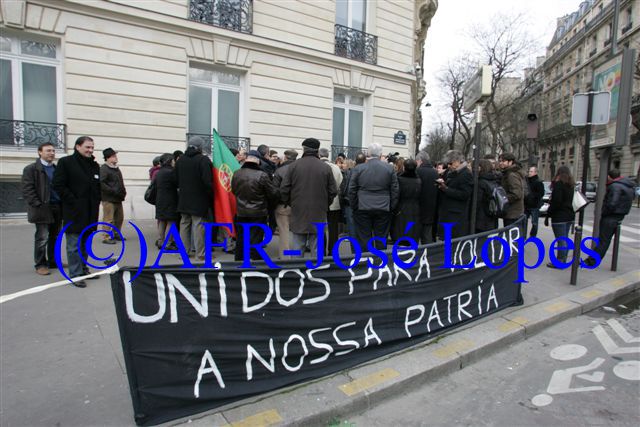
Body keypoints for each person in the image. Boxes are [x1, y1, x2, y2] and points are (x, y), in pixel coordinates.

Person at [52, 136, 101, 287]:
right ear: (77, 147)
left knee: (86, 243)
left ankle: (84, 268)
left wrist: (97, 200)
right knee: (74, 244)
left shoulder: (94, 165)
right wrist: (73, 200)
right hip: (74, 211)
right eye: (87, 147)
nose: (90, 150)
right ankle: (75, 274)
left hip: (91, 211)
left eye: (92, 147)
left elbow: (97, 186)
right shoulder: (66, 163)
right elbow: (58, 185)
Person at [280, 138, 338, 257]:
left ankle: (297, 273)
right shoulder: (325, 167)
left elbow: (284, 189)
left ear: (304, 149)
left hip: (298, 211)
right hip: (319, 211)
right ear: (317, 150)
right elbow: (333, 191)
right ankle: (315, 273)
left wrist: (292, 203)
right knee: (317, 249)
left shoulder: (293, 166)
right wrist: (325, 204)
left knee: (297, 246)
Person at [21, 142, 63, 275]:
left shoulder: (56, 169)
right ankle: (40, 264)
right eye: (48, 151)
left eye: (53, 151)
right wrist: (38, 204)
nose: (51, 153)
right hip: (42, 208)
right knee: (42, 237)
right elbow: (27, 190)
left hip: (57, 207)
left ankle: (53, 261)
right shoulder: (31, 169)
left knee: (55, 237)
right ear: (40, 152)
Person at [348, 143, 399, 250]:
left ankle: (365, 262)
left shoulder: (359, 168)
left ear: (368, 154)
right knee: (381, 238)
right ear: (380, 154)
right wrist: (391, 207)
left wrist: (354, 206)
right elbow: (395, 190)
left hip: (362, 207)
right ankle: (380, 262)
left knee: (363, 238)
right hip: (383, 207)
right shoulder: (389, 169)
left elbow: (352, 190)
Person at [231, 150, 279, 261]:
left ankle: (239, 260)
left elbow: (234, 190)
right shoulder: (262, 175)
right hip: (258, 212)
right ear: (258, 161)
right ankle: (256, 260)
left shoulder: (237, 173)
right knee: (256, 237)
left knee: (241, 237)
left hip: (241, 211)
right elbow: (272, 193)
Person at [584, 169, 635, 267]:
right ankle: (593, 259)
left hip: (610, 216)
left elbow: (612, 203)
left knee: (603, 240)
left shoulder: (615, 186)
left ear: (609, 176)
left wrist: (604, 212)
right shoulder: (627, 185)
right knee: (605, 240)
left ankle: (592, 261)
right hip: (620, 215)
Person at [175, 136, 213, 261]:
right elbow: (208, 182)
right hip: (199, 199)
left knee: (184, 225)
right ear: (200, 147)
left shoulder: (180, 160)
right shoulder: (203, 160)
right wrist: (210, 195)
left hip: (184, 199)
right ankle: (200, 254)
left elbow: (175, 180)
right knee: (199, 226)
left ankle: (183, 252)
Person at [436, 150, 473, 239]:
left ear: (457, 161)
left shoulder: (465, 174)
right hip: (450, 213)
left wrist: (446, 189)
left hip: (456, 215)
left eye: (450, 163)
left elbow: (465, 194)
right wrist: (442, 185)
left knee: (452, 242)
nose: (448, 166)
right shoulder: (454, 172)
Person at [545, 166, 575, 268]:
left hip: (559, 216)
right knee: (564, 239)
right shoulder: (570, 185)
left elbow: (557, 201)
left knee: (561, 240)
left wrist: (549, 212)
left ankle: (560, 261)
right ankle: (563, 259)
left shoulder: (558, 184)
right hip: (569, 215)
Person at [273, 149, 298, 257]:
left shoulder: (280, 170)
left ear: (286, 157)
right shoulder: (301, 170)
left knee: (284, 231)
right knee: (299, 232)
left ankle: (285, 256)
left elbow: (275, 189)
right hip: (299, 204)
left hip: (283, 205)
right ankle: (298, 255)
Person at [391, 159, 421, 243]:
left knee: (400, 234)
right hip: (415, 209)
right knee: (412, 235)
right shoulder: (418, 181)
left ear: (404, 167)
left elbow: (396, 195)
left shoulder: (399, 179)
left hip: (401, 209)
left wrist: (393, 209)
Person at [100, 148, 126, 245]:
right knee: (108, 219)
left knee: (119, 218)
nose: (116, 158)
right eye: (114, 156)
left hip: (118, 197)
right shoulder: (104, 168)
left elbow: (120, 181)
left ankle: (116, 233)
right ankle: (106, 236)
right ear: (108, 158)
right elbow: (102, 183)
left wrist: (123, 191)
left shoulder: (116, 168)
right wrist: (113, 191)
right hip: (109, 198)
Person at [320, 147, 343, 254]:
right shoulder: (335, 167)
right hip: (334, 201)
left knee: (320, 228)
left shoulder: (317, 166)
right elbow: (339, 182)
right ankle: (333, 251)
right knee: (333, 229)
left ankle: (322, 250)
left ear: (319, 155)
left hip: (320, 202)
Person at [154, 153, 179, 250]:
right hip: (170, 199)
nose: (174, 162)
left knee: (162, 221)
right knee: (171, 221)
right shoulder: (171, 172)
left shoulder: (159, 172)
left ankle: (161, 241)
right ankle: (168, 243)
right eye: (173, 160)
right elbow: (177, 183)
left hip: (160, 199)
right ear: (169, 161)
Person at [415, 151, 438, 244]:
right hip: (431, 206)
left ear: (420, 160)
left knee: (415, 233)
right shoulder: (435, 172)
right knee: (427, 233)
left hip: (418, 206)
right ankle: (427, 254)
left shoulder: (417, 171)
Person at [498, 153, 525, 227]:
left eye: (503, 161)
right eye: (500, 161)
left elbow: (516, 194)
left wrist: (502, 199)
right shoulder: (510, 173)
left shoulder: (511, 175)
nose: (501, 163)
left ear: (510, 162)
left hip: (513, 213)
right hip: (513, 212)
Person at [474, 159, 499, 233]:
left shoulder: (481, 182)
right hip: (491, 217)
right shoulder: (493, 180)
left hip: (481, 219)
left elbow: (477, 201)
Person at [525, 166, 545, 237]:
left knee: (534, 222)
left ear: (535, 172)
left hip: (534, 205)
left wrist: (533, 197)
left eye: (531, 171)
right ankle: (523, 235)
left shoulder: (538, 182)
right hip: (526, 205)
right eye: (529, 171)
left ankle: (533, 235)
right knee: (524, 221)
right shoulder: (526, 181)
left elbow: (541, 193)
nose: (529, 173)